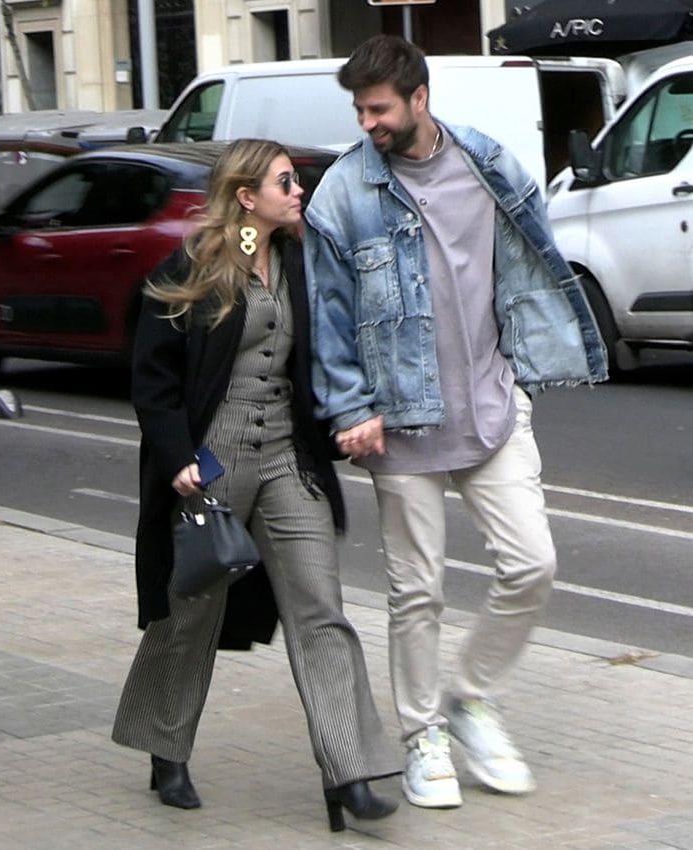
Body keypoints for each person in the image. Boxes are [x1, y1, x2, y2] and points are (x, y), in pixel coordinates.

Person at [303, 35, 608, 810]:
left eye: (378, 108)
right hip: (401, 425)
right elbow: (328, 318)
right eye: (359, 109)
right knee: (418, 593)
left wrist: (529, 359)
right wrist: (351, 408)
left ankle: (471, 698)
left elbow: (533, 262)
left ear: (418, 99)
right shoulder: (343, 193)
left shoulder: (486, 164)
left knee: (531, 564)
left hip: (496, 408)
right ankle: (422, 736)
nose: (367, 122)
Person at [112, 138, 400, 831]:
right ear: (247, 198)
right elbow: (153, 377)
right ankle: (163, 747)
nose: (297, 190)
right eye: (283, 182)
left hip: (287, 460)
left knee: (322, 610)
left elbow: (329, 350)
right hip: (213, 459)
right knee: (190, 610)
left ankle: (350, 773)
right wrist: (177, 455)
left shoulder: (299, 261)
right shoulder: (199, 266)